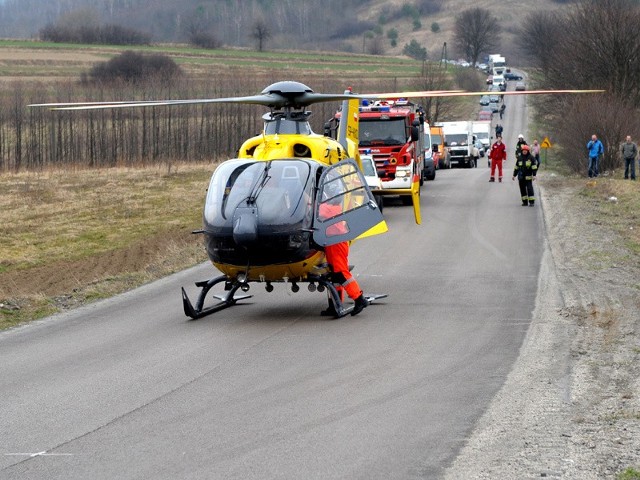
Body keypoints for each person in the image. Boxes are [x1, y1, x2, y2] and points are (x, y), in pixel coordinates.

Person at [318, 182, 368, 317]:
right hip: (333, 242)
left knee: (341, 273)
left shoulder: (329, 208)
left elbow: (317, 210)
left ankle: (359, 299)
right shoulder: (334, 207)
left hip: (336, 242)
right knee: (334, 275)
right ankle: (335, 304)